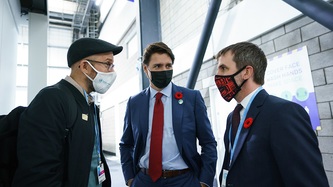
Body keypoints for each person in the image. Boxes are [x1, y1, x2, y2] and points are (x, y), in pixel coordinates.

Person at [214, 41, 329, 187]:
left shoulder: (283, 113)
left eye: (223, 68)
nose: (218, 76)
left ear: (246, 72)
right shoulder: (233, 117)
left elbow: (308, 181)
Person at [12, 38, 123, 186]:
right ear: (85, 66)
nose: (112, 71)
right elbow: (39, 173)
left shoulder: (89, 104)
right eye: (108, 64)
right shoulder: (52, 99)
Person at [119, 42, 217, 187]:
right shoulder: (135, 103)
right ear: (146, 69)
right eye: (157, 66)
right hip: (144, 181)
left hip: (184, 180)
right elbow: (126, 144)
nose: (164, 70)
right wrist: (130, 178)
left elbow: (208, 143)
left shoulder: (192, 98)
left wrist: (204, 181)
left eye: (168, 66)